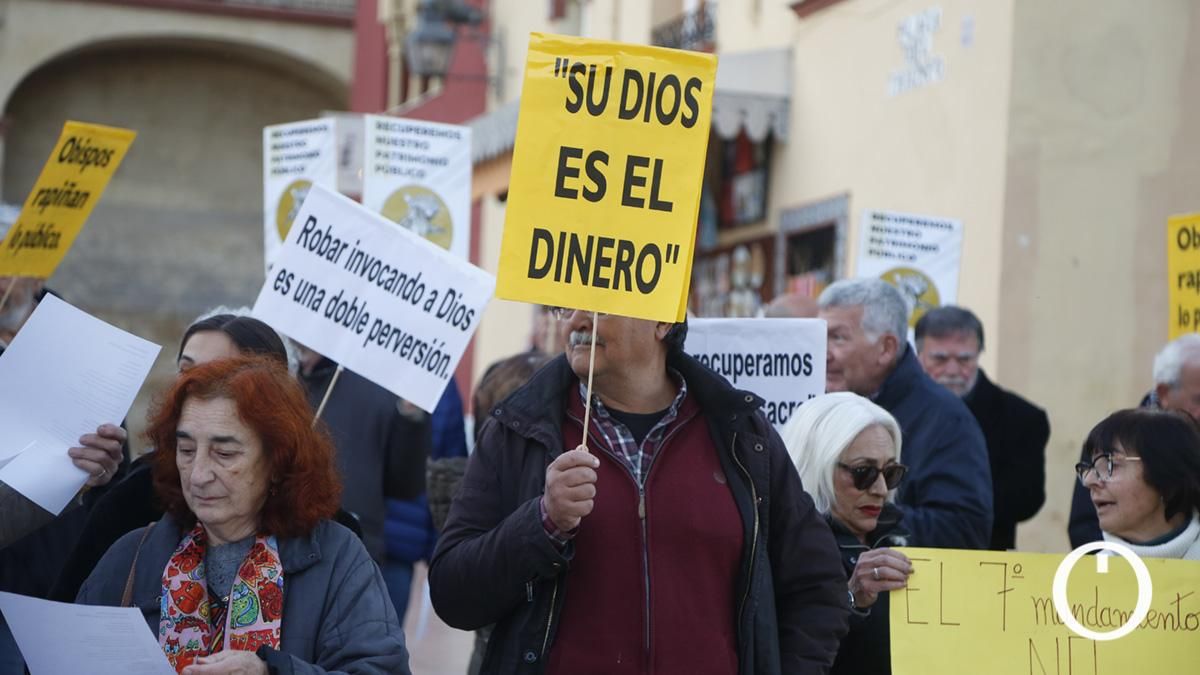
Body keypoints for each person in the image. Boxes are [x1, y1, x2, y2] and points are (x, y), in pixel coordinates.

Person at [430, 308, 849, 674]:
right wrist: (542, 523)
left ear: (663, 320)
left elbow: (817, 587)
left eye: (600, 306)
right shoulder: (518, 432)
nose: (577, 320)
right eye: (567, 306)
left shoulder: (742, 434)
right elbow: (453, 593)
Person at [77, 356, 411, 673]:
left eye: (224, 453)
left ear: (278, 463)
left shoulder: (337, 559)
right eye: (187, 450)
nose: (198, 474)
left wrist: (272, 672)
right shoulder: (132, 556)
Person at [51, 311, 301, 602]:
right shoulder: (138, 498)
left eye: (218, 374)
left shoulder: (329, 543)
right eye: (187, 371)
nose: (199, 476)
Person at [817, 278, 992, 549]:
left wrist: (855, 512)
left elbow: (963, 530)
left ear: (886, 349)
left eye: (837, 337)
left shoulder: (946, 420)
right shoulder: (818, 405)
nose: (822, 353)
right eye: (819, 337)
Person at [782, 392, 913, 675]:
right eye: (863, 472)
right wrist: (850, 600)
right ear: (819, 466)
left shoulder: (904, 537)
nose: (880, 489)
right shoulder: (783, 551)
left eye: (891, 473)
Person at [915, 306, 1049, 550]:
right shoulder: (893, 409)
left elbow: (1027, 499)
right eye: (940, 359)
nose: (953, 370)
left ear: (979, 354)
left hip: (986, 558)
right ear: (918, 355)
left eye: (964, 359)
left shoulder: (1023, 418)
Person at [297, 346, 428, 566]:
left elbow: (406, 484)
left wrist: (410, 418)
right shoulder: (282, 377)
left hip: (359, 548)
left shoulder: (382, 384)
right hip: (288, 539)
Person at [1069, 334, 1200, 547]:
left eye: (1110, 465)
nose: (1090, 480)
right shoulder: (1109, 438)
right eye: (1199, 399)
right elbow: (1084, 528)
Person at [1076, 408, 1200, 559]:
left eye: (1111, 465)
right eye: (1092, 467)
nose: (1089, 481)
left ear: (1168, 478)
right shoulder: (1090, 576)